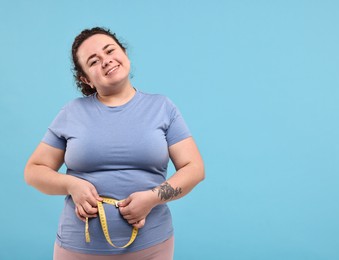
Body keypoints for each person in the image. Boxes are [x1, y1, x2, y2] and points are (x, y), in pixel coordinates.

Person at [24, 27, 205, 260]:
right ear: (86, 79)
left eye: (110, 50)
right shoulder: (72, 112)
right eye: (93, 61)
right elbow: (33, 171)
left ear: (124, 54)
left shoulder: (162, 107)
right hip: (79, 250)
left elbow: (195, 168)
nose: (106, 60)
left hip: (152, 247)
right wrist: (71, 185)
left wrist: (153, 198)